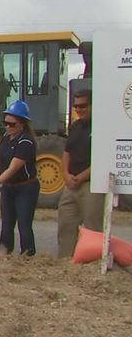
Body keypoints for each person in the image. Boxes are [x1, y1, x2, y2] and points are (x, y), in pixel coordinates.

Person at [0, 100, 38, 256]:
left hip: (25, 188)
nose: (8, 127)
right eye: (5, 123)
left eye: (12, 124)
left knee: (24, 225)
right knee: (7, 225)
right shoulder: (6, 138)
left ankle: (28, 256)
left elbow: (14, 167)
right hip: (8, 188)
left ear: (22, 124)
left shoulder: (26, 141)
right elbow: (3, 158)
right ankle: (4, 253)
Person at [57, 89, 104, 258]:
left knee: (93, 228)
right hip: (71, 184)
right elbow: (66, 152)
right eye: (76, 106)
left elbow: (103, 158)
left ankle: (92, 264)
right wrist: (66, 175)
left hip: (91, 184)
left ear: (92, 105)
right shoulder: (75, 126)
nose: (79, 109)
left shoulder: (101, 127)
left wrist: (81, 177)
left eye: (83, 105)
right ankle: (65, 262)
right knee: (65, 225)